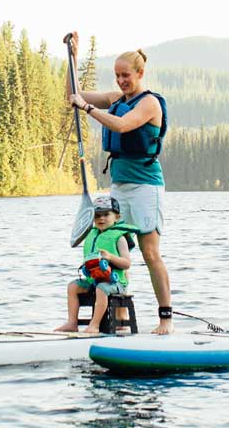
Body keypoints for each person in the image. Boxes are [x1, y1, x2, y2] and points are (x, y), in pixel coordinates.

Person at [65, 32, 174, 334]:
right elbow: (74, 95)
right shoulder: (115, 100)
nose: (121, 81)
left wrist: (87, 109)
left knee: (150, 253)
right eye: (117, 76)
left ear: (140, 74)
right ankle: (115, 320)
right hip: (120, 187)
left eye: (126, 75)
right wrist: (73, 58)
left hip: (145, 187)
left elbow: (124, 125)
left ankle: (166, 319)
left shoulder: (150, 103)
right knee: (114, 249)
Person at [55, 193, 135, 334]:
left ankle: (95, 325)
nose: (101, 218)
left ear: (117, 217)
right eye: (97, 215)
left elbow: (127, 263)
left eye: (106, 214)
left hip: (115, 283)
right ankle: (72, 323)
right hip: (94, 280)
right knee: (73, 287)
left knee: (102, 288)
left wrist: (110, 257)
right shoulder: (91, 234)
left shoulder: (120, 238)